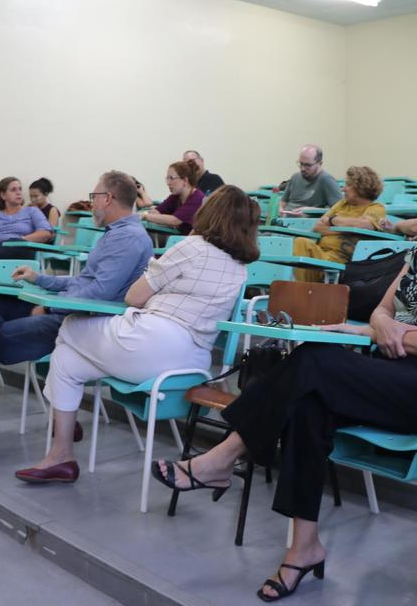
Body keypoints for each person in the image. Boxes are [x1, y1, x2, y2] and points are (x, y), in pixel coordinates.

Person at [151, 164, 417, 601]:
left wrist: (392, 331)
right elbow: (381, 310)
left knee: (315, 361)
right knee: (307, 404)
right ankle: (304, 548)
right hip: (395, 371)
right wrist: (384, 327)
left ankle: (222, 458)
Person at [14, 185, 259, 484]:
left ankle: (62, 423)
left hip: (152, 343)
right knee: (66, 360)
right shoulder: (241, 269)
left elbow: (134, 296)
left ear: (209, 213)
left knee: (70, 326)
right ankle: (61, 456)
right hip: (193, 360)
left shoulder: (190, 247)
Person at [0, 172, 153, 465]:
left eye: (94, 197)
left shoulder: (128, 238)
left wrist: (50, 306)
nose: (92, 203)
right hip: (73, 310)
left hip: (85, 321)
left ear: (107, 199)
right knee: (5, 290)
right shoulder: (116, 234)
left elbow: (97, 294)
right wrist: (40, 279)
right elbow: (83, 281)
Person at [291, 165, 386, 282]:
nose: (343, 189)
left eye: (348, 185)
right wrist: (348, 229)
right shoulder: (342, 204)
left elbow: (364, 224)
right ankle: (305, 291)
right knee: (301, 242)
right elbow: (317, 227)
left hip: (343, 260)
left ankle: (304, 292)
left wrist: (333, 221)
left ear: (360, 187)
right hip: (322, 253)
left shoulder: (376, 208)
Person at [140, 160, 205, 235]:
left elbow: (174, 220)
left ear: (185, 180)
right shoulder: (175, 196)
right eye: (167, 178)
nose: (168, 183)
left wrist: (145, 216)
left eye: (171, 178)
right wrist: (147, 215)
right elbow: (156, 211)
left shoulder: (197, 198)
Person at [280, 145, 343, 215]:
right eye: (301, 164)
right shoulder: (295, 177)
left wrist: (311, 210)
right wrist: (280, 209)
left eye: (308, 165)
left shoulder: (327, 180)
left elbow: (340, 209)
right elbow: (283, 202)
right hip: (283, 219)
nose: (303, 169)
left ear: (320, 164)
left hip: (304, 223)